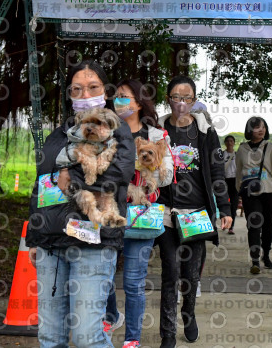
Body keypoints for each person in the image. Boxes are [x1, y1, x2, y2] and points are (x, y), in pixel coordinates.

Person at [26, 59, 135, 348]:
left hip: (93, 243)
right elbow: (40, 187)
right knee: (51, 336)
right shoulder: (57, 134)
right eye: (77, 89)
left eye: (93, 87)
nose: (85, 95)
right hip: (50, 243)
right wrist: (33, 238)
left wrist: (71, 174)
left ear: (105, 91)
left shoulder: (117, 128)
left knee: (87, 336)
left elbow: (118, 174)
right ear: (69, 95)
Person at [155, 75, 232, 348]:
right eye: (176, 97)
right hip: (166, 210)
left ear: (194, 100)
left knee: (190, 274)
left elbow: (217, 171)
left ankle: (188, 314)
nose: (182, 104)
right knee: (170, 272)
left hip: (197, 212)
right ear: (169, 99)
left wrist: (224, 207)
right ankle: (167, 333)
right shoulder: (158, 128)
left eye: (187, 98)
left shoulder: (206, 132)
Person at [104, 79, 174, 348]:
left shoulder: (157, 136)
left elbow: (167, 177)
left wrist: (154, 166)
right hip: (110, 214)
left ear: (138, 102)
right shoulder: (106, 131)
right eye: (116, 96)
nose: (118, 101)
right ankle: (111, 315)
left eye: (124, 96)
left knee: (133, 282)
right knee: (104, 278)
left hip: (141, 216)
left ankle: (132, 339)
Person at [235, 116, 272, 275]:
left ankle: (266, 255)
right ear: (249, 130)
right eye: (256, 127)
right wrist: (238, 191)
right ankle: (255, 259)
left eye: (263, 127)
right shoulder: (242, 149)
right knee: (253, 225)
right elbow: (238, 172)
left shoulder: (271, 148)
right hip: (250, 193)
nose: (261, 130)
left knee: (268, 226)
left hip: (269, 193)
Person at [223, 135, 238, 235]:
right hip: (224, 181)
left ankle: (231, 227)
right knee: (224, 203)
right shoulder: (222, 154)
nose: (229, 143)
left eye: (231, 141)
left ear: (234, 143)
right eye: (228, 141)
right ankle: (224, 222)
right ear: (225, 143)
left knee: (234, 204)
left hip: (235, 181)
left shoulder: (237, 155)